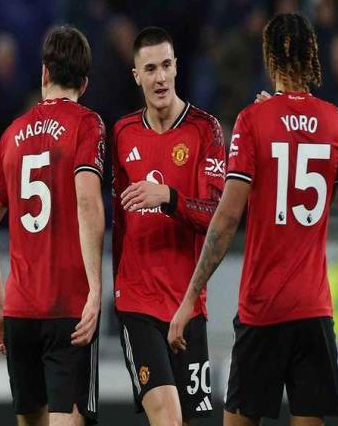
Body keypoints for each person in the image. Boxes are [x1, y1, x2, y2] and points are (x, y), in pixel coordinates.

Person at [169, 13, 338, 426]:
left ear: (272, 56)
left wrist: (191, 296)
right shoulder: (334, 120)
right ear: (310, 55)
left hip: (264, 308)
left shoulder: (253, 121)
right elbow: (324, 203)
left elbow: (227, 217)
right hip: (314, 310)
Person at [0, 25, 105, 426]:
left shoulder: (12, 134)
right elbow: (87, 202)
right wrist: (96, 290)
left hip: (19, 312)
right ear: (84, 83)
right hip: (68, 310)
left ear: (44, 73)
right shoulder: (87, 124)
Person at [112, 26, 225, 425]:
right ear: (136, 76)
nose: (159, 78)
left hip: (187, 305)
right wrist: (115, 290)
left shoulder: (205, 130)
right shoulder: (122, 134)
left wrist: (169, 197)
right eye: (150, 69)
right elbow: (119, 223)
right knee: (167, 418)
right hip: (137, 302)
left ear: (176, 67)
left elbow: (217, 216)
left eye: (165, 66)